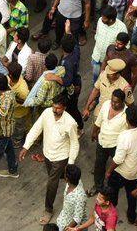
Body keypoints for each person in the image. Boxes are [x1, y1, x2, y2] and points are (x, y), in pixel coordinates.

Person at [20, 94, 81, 224]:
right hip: (47, 154)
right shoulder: (47, 113)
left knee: (51, 183)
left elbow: (75, 144)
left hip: (61, 157)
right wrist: (26, 146)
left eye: (58, 108)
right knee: (55, 177)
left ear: (64, 108)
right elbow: (36, 128)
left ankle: (48, 210)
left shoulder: (70, 123)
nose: (55, 110)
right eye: (53, 107)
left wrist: (70, 163)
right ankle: (65, 176)